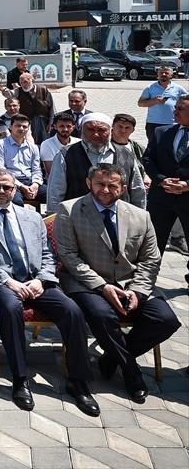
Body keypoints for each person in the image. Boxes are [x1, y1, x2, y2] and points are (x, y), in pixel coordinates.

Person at [0, 169, 100, 415]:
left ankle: (78, 382)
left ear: (15, 189)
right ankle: (20, 378)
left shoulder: (31, 217)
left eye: (7, 187)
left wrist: (43, 279)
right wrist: (7, 281)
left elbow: (48, 253)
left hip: (35, 281)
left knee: (72, 311)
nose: (1, 192)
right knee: (11, 307)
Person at [54, 164, 181, 403]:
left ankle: (110, 358)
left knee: (166, 320)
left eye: (113, 185)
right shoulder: (69, 210)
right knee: (103, 316)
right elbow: (69, 257)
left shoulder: (140, 216)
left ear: (123, 188)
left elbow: (151, 259)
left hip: (130, 283)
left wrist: (138, 291)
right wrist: (102, 286)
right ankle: (132, 374)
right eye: (100, 183)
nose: (106, 189)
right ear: (88, 183)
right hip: (86, 283)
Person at [47, 113, 146, 211]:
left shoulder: (126, 154)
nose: (95, 134)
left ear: (110, 131)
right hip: (78, 218)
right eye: (90, 129)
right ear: (81, 130)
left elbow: (137, 190)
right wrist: (55, 218)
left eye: (101, 130)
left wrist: (139, 217)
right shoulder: (66, 154)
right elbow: (56, 191)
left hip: (120, 218)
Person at [141, 96, 189, 253]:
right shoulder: (162, 132)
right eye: (175, 107)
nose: (175, 111)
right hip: (161, 200)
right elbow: (148, 158)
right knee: (152, 248)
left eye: (180, 108)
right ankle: (148, 277)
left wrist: (187, 185)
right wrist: (161, 180)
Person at [0, 115, 45, 209]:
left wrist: (35, 185)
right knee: (16, 202)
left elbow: (37, 169)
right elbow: (1, 171)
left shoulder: (33, 147)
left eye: (25, 127)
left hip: (30, 181)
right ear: (10, 127)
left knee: (52, 195)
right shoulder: (0, 145)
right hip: (10, 182)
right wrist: (22, 186)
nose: (21, 129)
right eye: (18, 125)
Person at [137, 65, 188, 144]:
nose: (163, 74)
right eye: (161, 73)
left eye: (166, 73)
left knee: (171, 145)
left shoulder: (178, 88)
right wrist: (154, 101)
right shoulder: (150, 87)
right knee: (153, 146)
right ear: (158, 74)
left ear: (171, 75)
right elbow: (140, 103)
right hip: (153, 123)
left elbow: (186, 101)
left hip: (172, 122)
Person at [40, 112, 80, 178]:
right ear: (55, 127)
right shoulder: (46, 144)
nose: (65, 129)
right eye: (61, 126)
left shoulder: (79, 143)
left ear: (73, 127)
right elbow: (52, 172)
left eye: (68, 126)